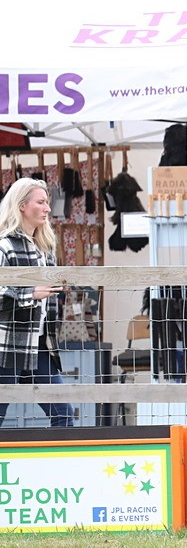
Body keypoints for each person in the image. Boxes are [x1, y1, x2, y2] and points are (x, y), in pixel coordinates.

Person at [0, 178, 74, 428]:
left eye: (47, 203)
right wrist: (30, 294)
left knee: (64, 413)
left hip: (40, 345)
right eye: (41, 202)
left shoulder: (45, 249)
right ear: (22, 205)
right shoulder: (4, 247)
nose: (47, 208)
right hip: (6, 348)